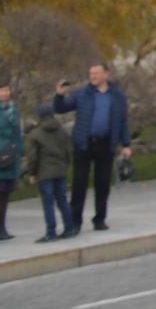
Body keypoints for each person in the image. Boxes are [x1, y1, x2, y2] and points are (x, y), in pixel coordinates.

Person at [52, 63, 131, 236]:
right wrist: (59, 95)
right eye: (91, 73)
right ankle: (75, 221)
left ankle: (100, 219)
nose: (93, 76)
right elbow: (60, 108)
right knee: (79, 183)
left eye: (96, 73)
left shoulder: (117, 97)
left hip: (105, 144)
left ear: (106, 74)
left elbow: (123, 121)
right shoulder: (82, 94)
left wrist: (126, 144)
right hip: (84, 144)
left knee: (103, 183)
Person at [22, 99, 73, 242]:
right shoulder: (63, 131)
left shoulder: (36, 134)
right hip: (60, 171)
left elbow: (33, 157)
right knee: (62, 200)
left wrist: (32, 173)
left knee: (48, 203)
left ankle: (51, 232)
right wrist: (66, 165)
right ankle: (69, 228)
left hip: (44, 173)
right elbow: (69, 151)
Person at [0, 80, 19, 242]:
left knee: (5, 194)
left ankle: (1, 227)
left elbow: (16, 133)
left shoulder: (13, 109)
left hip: (10, 156)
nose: (4, 93)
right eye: (1, 91)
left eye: (6, 90)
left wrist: (19, 152)